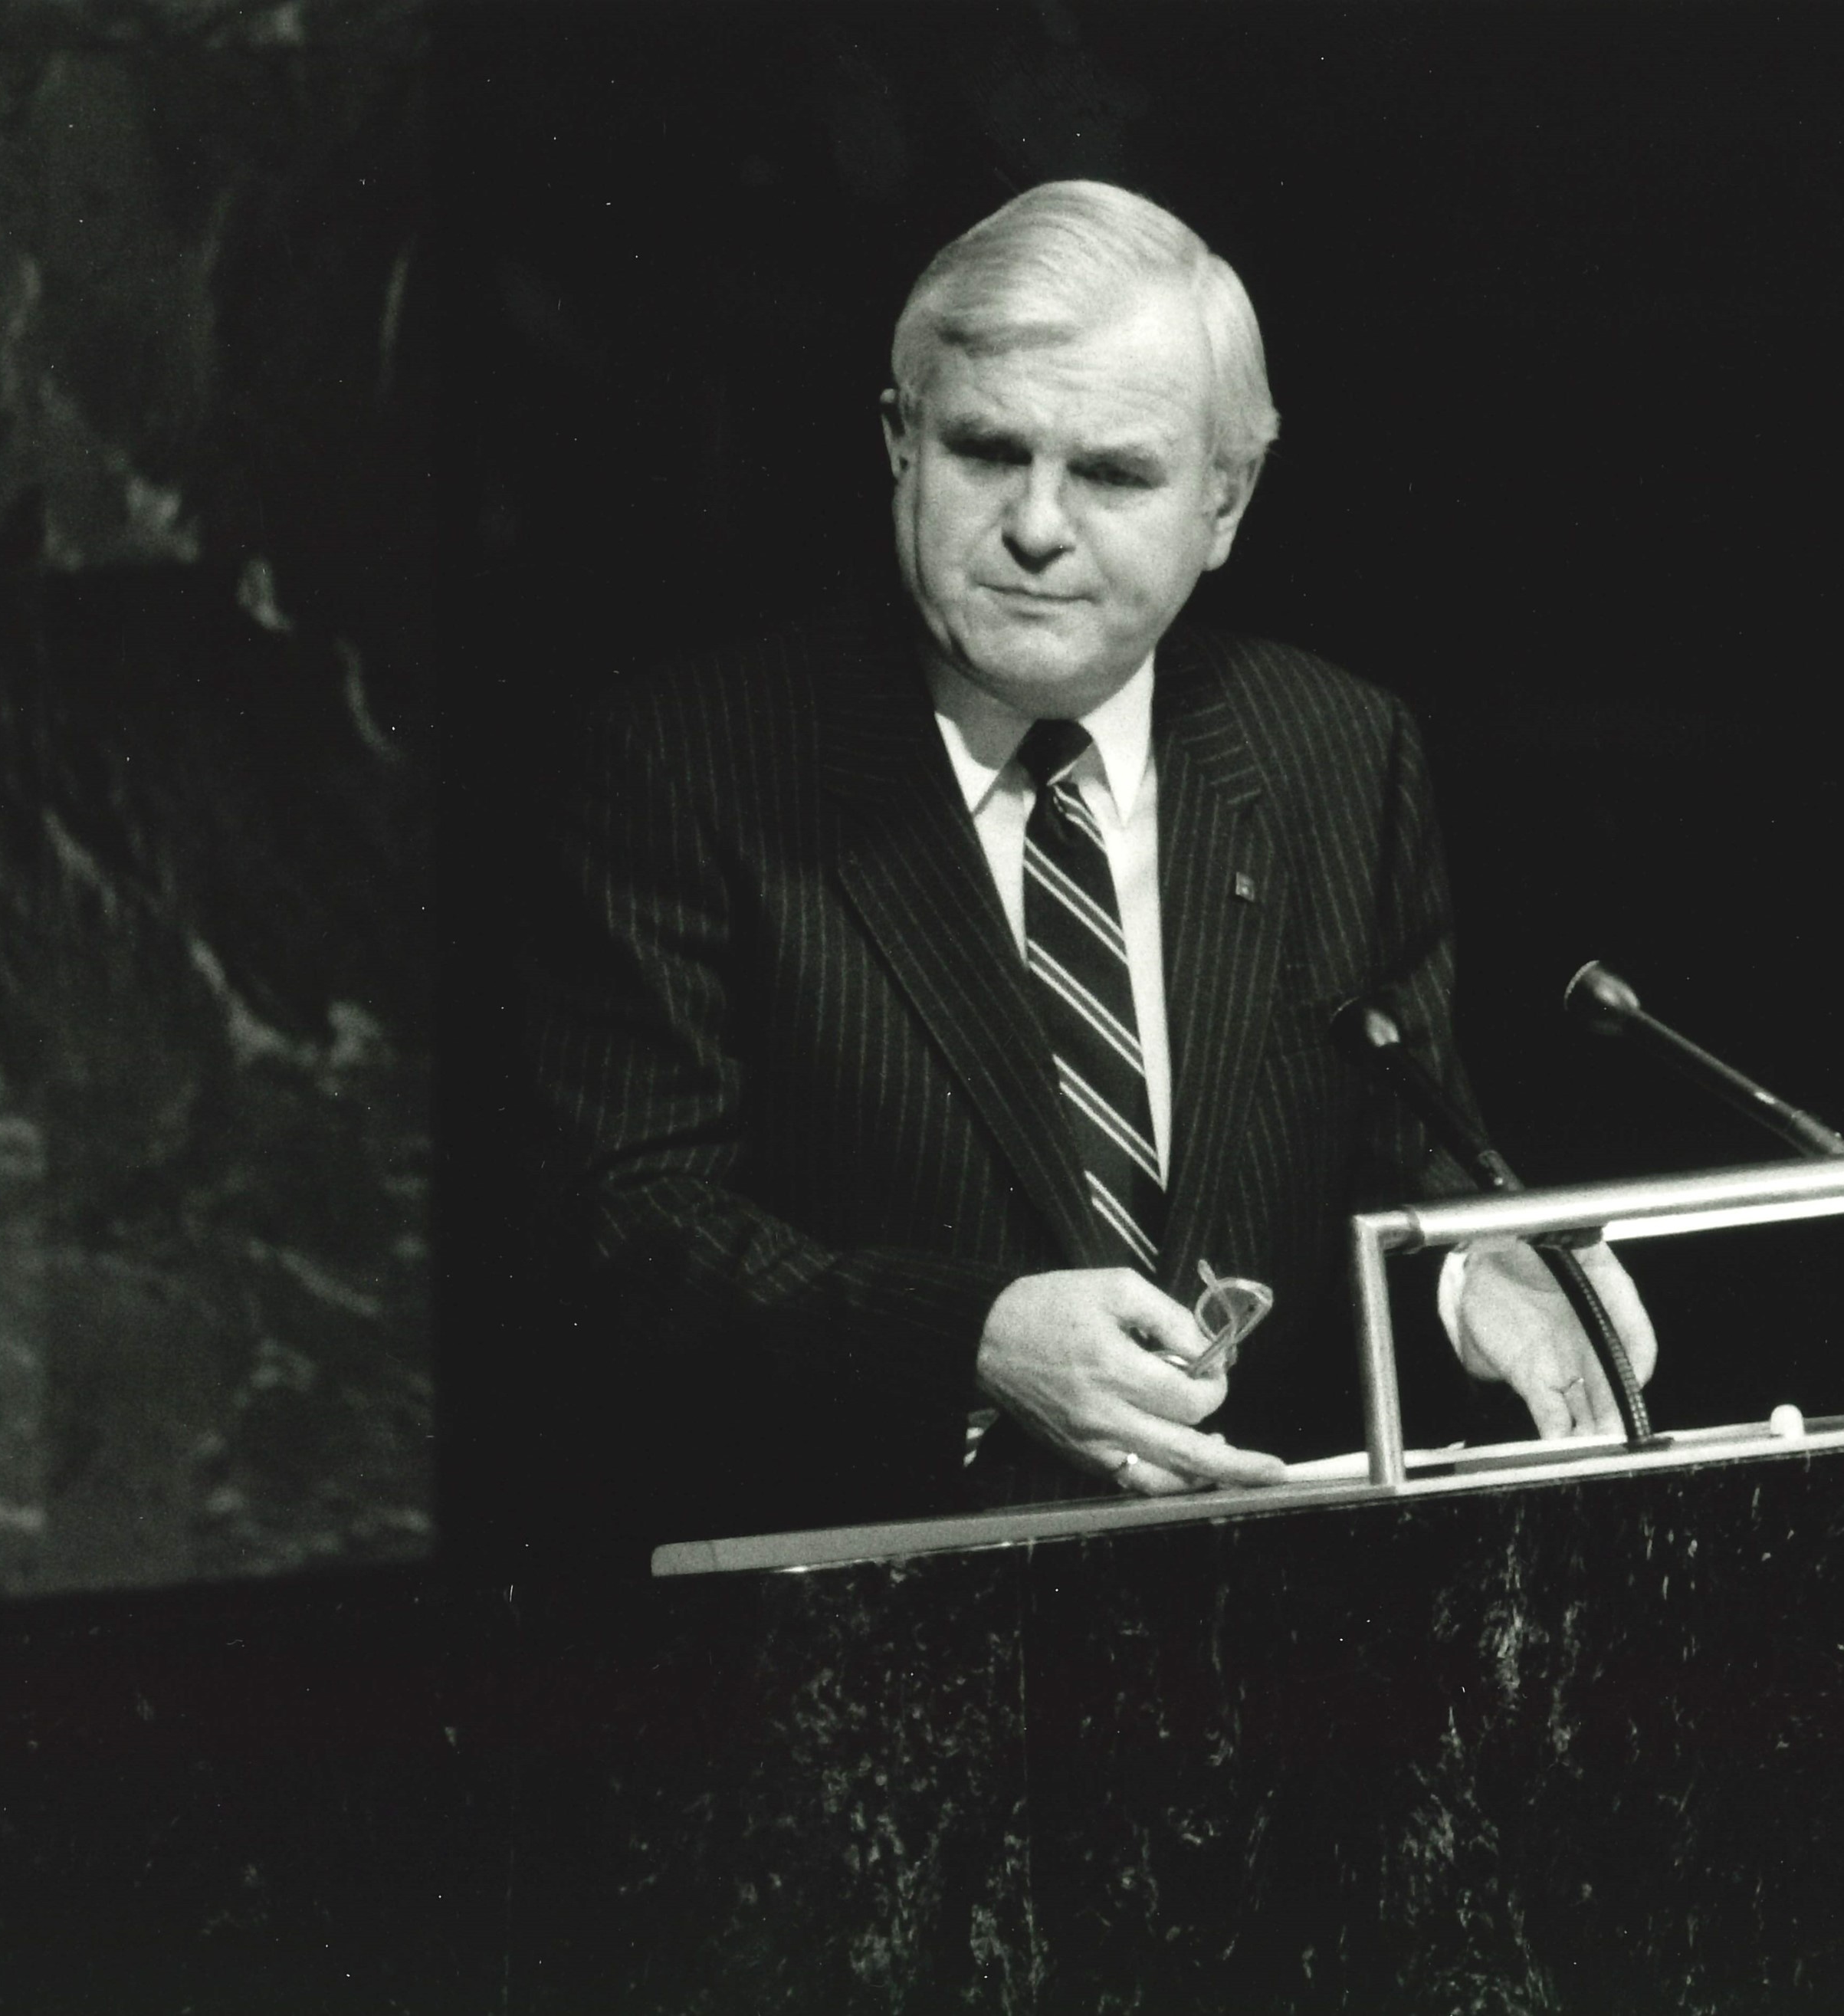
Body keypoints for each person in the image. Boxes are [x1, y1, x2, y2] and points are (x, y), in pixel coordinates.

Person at [527, 180, 1652, 1541]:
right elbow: (625, 1232)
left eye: (1114, 473)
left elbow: (1407, 1134)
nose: (1040, 526)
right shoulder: (694, 763)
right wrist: (972, 1337)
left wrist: (1488, 1260)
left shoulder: (1338, 754)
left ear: (1226, 503)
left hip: (1264, 1622)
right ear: (900, 441)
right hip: (860, 1645)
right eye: (989, 451)